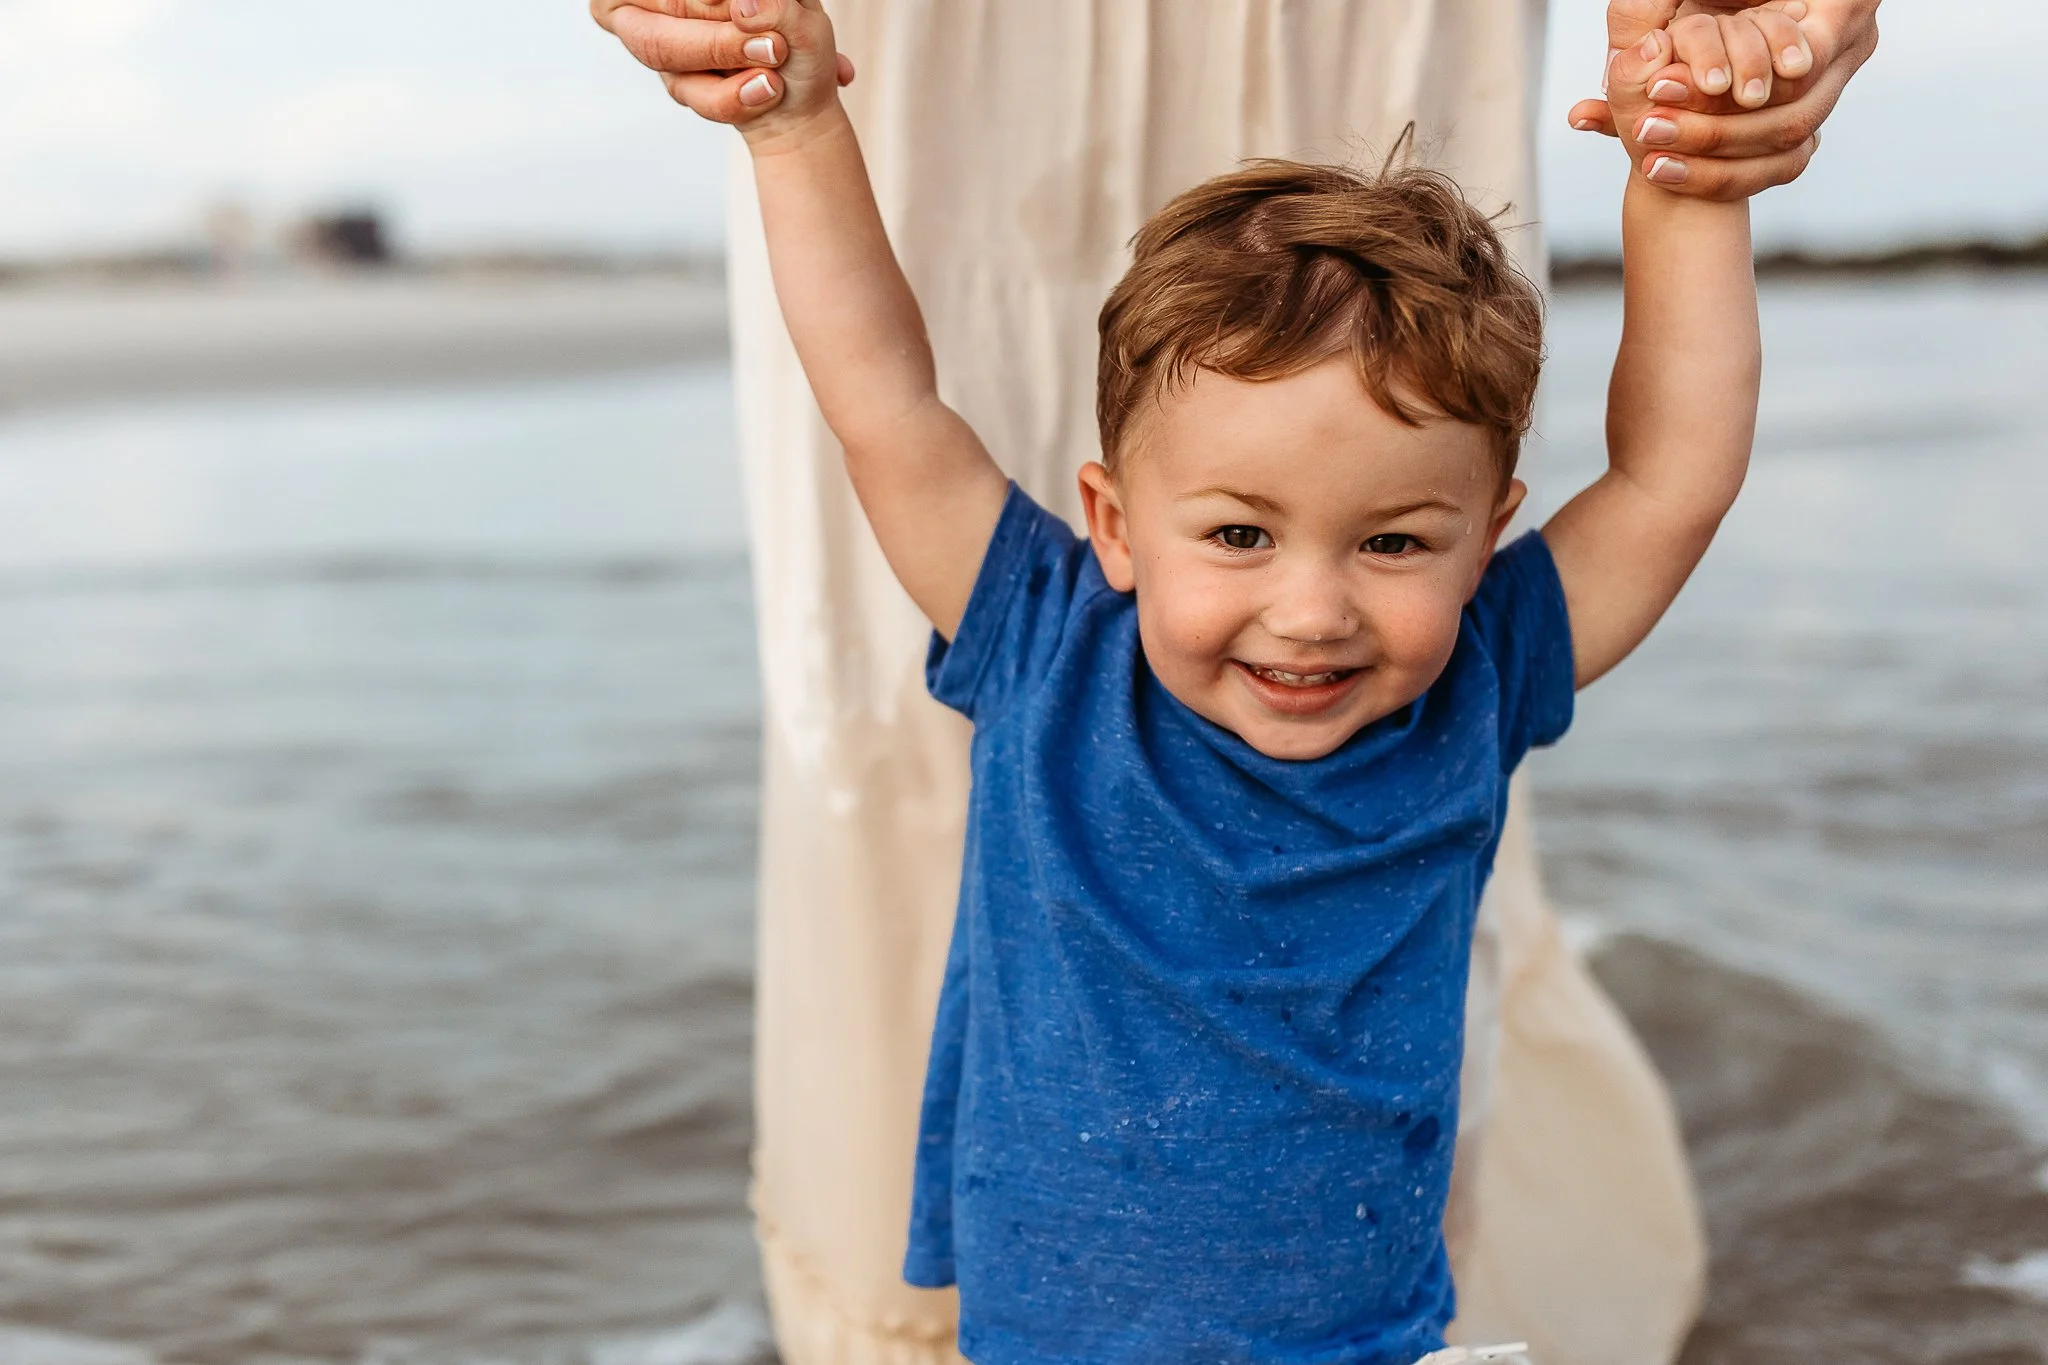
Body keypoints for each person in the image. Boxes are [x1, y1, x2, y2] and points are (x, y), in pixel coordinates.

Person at [588, 2, 1881, 1362]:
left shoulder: (1483, 672)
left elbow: (1674, 476)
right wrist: (791, 129)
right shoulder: (1047, 640)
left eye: (1393, 542)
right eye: (1240, 534)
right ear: (1114, 523)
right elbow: (881, 400)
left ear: (1486, 531)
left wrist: (1688, 188)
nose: (1312, 611)